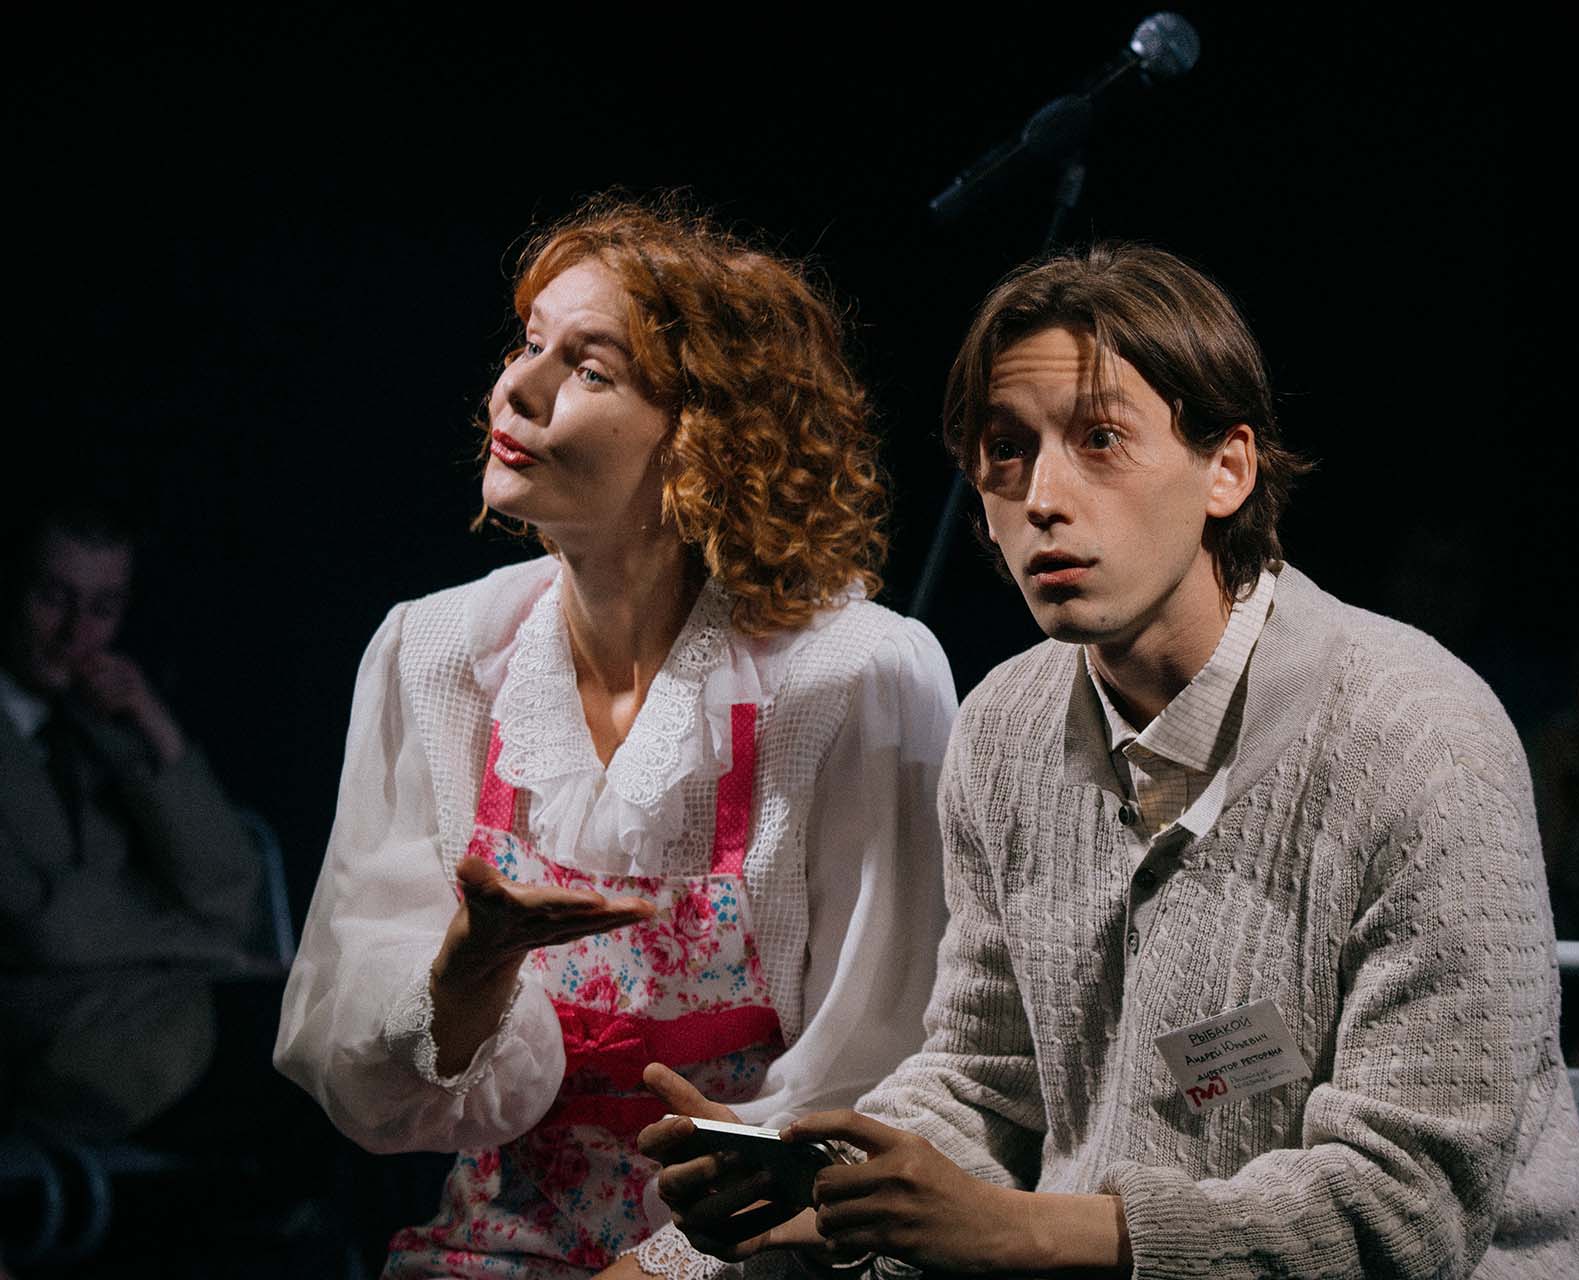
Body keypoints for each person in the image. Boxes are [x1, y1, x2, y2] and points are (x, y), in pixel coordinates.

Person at [641, 244, 1579, 1278]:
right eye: (1006, 451)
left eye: (1100, 438)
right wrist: (823, 1185)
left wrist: (1018, 1230)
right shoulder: (1005, 725)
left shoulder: (1418, 735)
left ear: (1227, 469)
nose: (1043, 496)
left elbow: (1407, 1207)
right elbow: (987, 1076)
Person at [273, 197, 956, 1279]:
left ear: (705, 439)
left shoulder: (850, 678)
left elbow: (882, 1079)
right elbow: (358, 1069)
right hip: (496, 1246)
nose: (518, 387)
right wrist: (470, 968)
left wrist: (667, 1265)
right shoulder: (440, 653)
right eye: (528, 343)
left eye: (589, 369)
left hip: (755, 1253)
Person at [0, 502, 260, 1141]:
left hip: (135, 1014)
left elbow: (230, 896)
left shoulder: (103, 729)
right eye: (52, 598)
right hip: (38, 1033)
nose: (75, 634)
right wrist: (199, 946)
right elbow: (38, 927)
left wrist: (154, 725)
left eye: (103, 608)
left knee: (350, 1057)